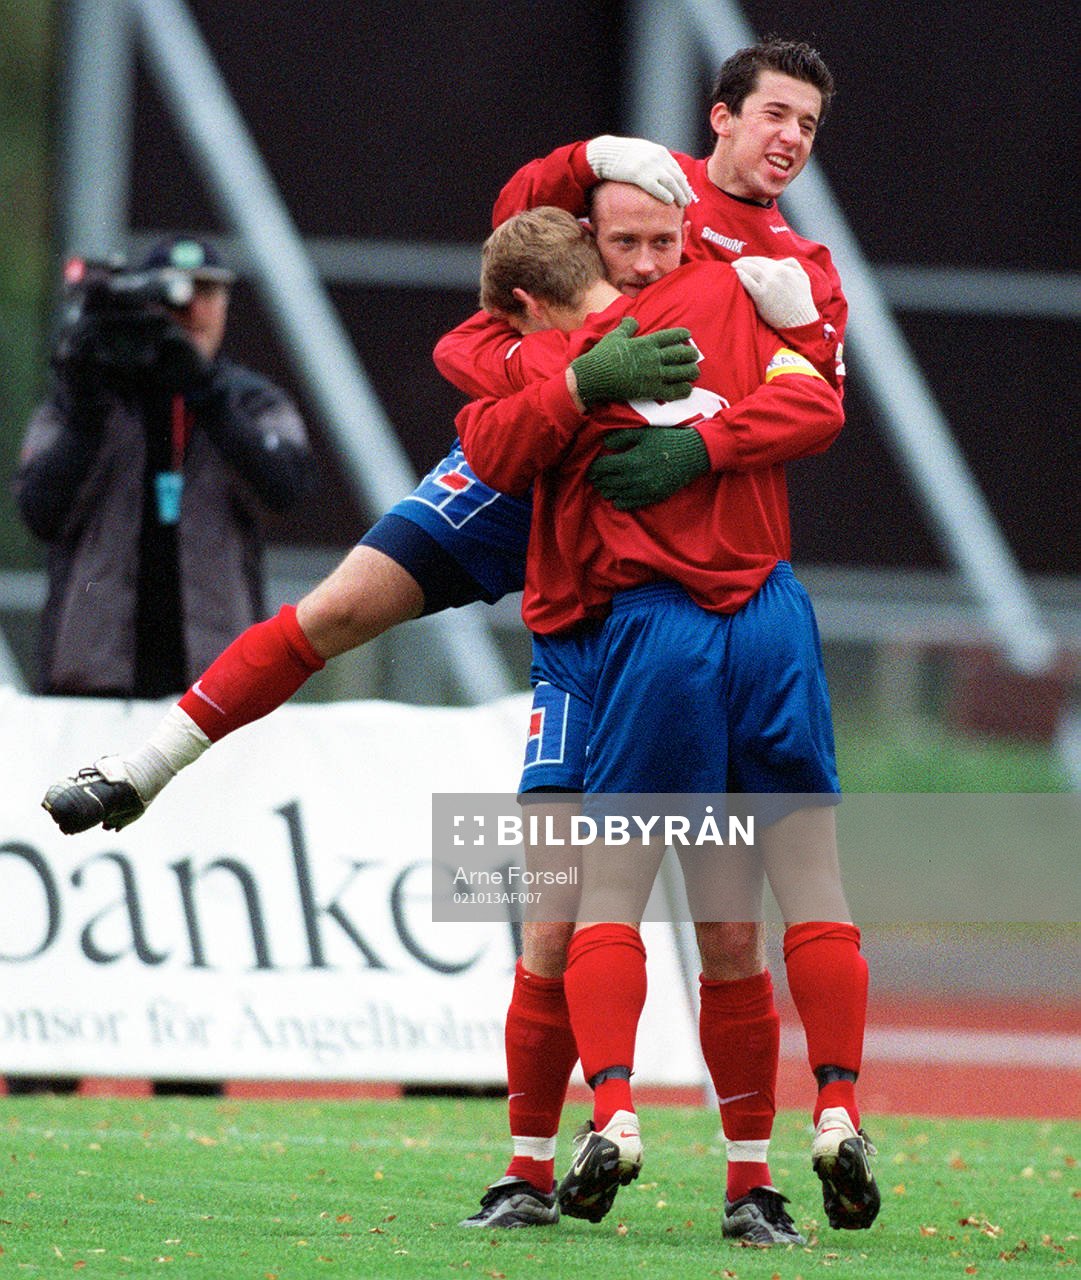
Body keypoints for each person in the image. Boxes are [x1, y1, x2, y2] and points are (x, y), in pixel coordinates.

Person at [40, 34, 861, 1240]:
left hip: (627, 577)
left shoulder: (801, 266)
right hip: (532, 461)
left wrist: (701, 438)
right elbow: (500, 268)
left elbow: (818, 395)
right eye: (774, 116)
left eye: (809, 125)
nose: (788, 141)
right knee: (334, 611)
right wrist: (563, 276)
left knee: (599, 903)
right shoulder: (644, 184)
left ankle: (695, 1166)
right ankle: (144, 763)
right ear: (720, 120)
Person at [454, 204, 875, 1236]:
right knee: (590, 914)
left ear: (688, 236)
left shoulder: (609, 337)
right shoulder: (726, 305)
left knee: (646, 908)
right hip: (658, 643)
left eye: (661, 243)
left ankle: (669, 1137)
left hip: (646, 637)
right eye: (624, 246)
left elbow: (490, 428)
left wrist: (694, 438)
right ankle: (538, 1164)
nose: (644, 265)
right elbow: (817, 397)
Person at [14, 236, 314, 699]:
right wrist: (88, 407)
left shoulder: (252, 400)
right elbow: (39, 513)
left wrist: (209, 395)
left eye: (208, 293)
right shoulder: (92, 395)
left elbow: (288, 491)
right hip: (93, 681)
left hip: (217, 683)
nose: (191, 308)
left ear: (228, 304)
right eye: (175, 295)